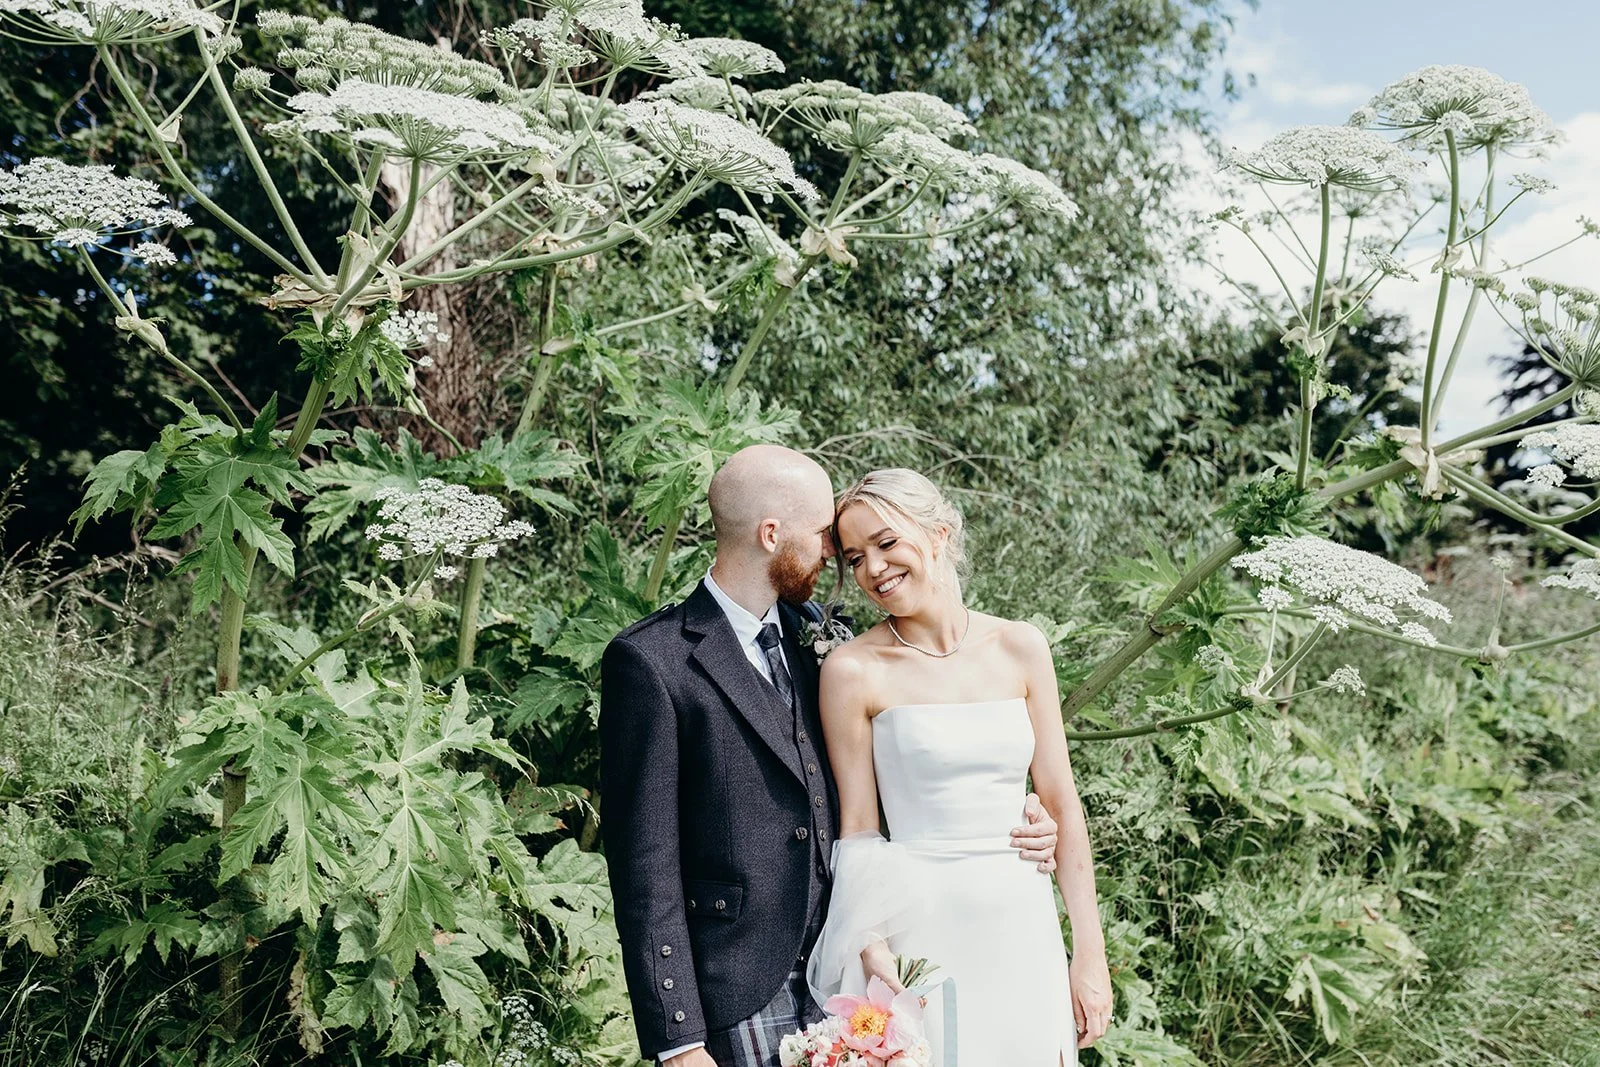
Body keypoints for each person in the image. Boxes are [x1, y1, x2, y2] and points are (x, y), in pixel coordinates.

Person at [600, 445, 1061, 1067]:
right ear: (771, 535)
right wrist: (678, 1040)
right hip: (736, 990)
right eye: (822, 535)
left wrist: (1017, 811)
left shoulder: (818, 637)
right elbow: (643, 868)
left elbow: (903, 760)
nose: (831, 556)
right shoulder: (653, 662)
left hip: (850, 975)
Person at [805, 468, 1113, 1066]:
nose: (873, 569)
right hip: (921, 929)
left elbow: (1061, 804)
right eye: (855, 556)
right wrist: (871, 947)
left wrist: (1089, 952)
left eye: (887, 543)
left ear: (939, 534)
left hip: (1022, 918)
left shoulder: (1021, 647)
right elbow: (859, 826)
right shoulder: (851, 670)